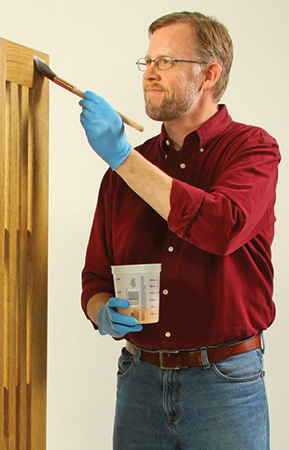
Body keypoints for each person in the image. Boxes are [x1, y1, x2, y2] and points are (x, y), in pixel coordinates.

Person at [79, 11, 279, 449]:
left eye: (166, 62)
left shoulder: (252, 149)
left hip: (225, 384)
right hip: (139, 380)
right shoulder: (120, 175)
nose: (150, 73)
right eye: (147, 62)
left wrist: (121, 156)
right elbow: (95, 276)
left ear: (209, 74)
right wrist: (101, 312)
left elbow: (223, 226)